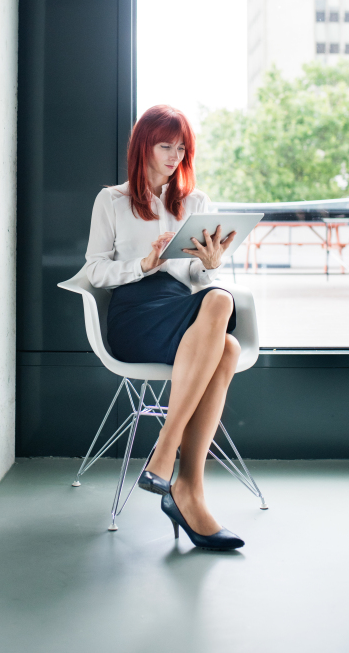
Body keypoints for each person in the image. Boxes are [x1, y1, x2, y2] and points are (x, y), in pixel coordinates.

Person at [85, 104, 244, 551]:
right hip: (134, 312)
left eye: (181, 148)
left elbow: (198, 281)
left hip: (181, 307)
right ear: (143, 147)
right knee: (225, 338)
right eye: (164, 146)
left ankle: (179, 479)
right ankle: (177, 470)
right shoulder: (112, 200)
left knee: (219, 309)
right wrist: (143, 264)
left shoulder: (195, 203)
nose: (174, 156)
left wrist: (208, 267)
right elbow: (94, 271)